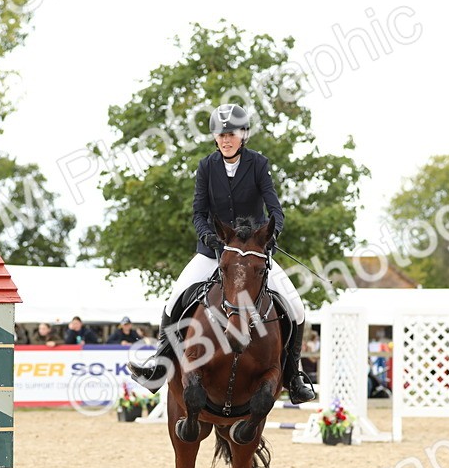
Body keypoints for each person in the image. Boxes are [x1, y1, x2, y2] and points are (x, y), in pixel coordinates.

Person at [131, 102, 315, 404]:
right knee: (174, 300)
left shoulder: (258, 164)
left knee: (296, 309)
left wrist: (271, 235)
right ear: (215, 138)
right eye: (220, 134)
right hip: (213, 251)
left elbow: (274, 208)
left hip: (253, 252)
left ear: (244, 135)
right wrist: (209, 236)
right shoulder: (206, 166)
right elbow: (199, 212)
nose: (226, 139)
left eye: (232, 133)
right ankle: (159, 369)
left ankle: (293, 377)